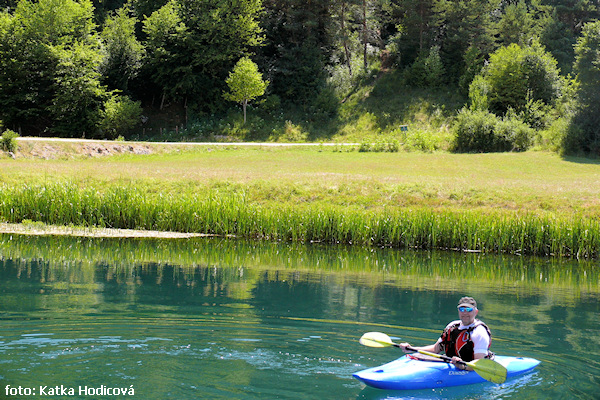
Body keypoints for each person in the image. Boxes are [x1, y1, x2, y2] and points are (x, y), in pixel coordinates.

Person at [399, 296, 493, 370]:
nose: (465, 313)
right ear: (458, 311)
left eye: (468, 310)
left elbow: (478, 363)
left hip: (467, 367)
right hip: (450, 362)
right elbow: (436, 349)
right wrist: (412, 349)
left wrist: (462, 367)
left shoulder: (479, 332)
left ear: (476, 312)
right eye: (461, 309)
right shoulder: (452, 326)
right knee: (416, 356)